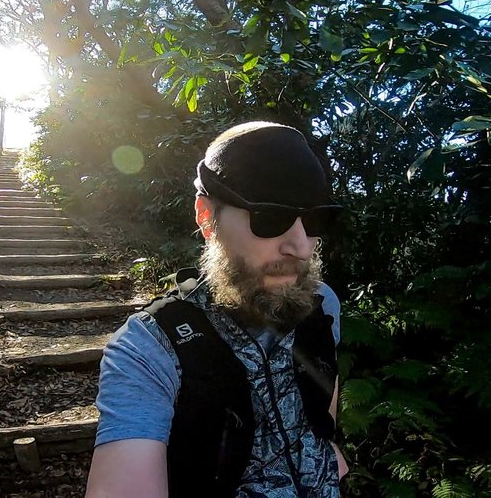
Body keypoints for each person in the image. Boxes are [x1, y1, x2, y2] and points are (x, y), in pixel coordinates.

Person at [86, 122, 349, 497]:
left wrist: (327, 447)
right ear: (206, 217)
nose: (301, 247)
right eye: (271, 218)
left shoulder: (321, 304)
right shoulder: (150, 348)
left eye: (315, 221)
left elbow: (323, 395)